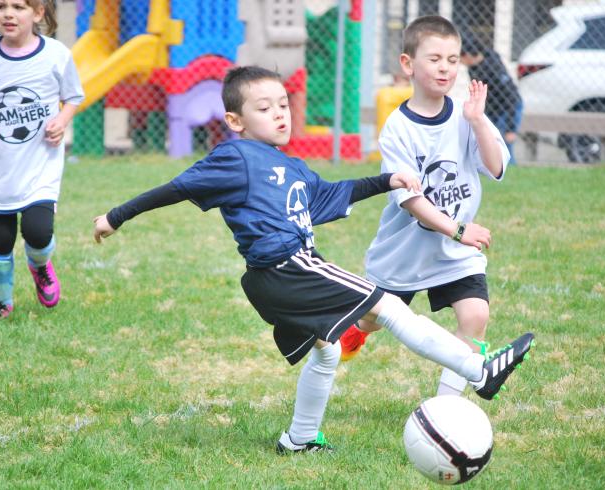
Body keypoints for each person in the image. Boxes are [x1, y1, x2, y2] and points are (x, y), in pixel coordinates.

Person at [93, 65, 534, 453]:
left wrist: (386, 180)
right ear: (235, 121)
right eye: (264, 108)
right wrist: (116, 216)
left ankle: (300, 438)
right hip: (288, 266)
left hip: (279, 276)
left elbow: (332, 194)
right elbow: (175, 188)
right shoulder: (236, 157)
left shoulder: (294, 168)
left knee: (326, 353)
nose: (280, 113)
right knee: (389, 307)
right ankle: (478, 370)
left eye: (283, 104)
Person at [339, 16, 517, 400]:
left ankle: (446, 411)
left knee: (475, 317)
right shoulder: (398, 130)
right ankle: (356, 331)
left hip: (455, 252)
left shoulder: (466, 115)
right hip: (405, 253)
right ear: (408, 65)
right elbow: (413, 202)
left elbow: (496, 166)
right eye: (435, 58)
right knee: (374, 319)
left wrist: (478, 121)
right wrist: (458, 228)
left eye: (453, 60)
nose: (445, 68)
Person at [0, 0, 84, 321]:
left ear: (38, 13)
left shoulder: (56, 55)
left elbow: (73, 96)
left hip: (40, 164)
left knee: (38, 232)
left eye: (19, 7)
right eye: (1, 6)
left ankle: (40, 266)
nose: (8, 14)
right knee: (1, 240)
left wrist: (62, 122)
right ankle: (0, 300)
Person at [460, 35, 523, 165]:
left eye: (460, 58)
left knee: (505, 144)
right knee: (487, 139)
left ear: (468, 56)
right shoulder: (475, 66)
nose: (460, 62)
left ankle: (509, 168)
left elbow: (510, 97)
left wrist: (510, 128)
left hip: (508, 107)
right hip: (492, 110)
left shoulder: (493, 67)